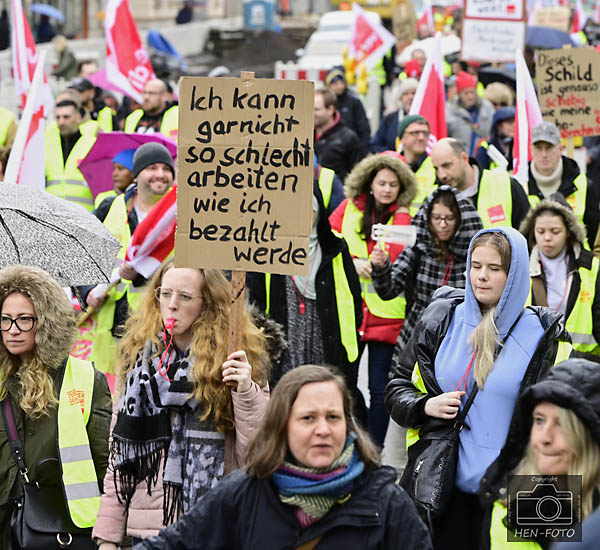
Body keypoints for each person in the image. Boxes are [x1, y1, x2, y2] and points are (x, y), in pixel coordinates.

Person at [385, 227, 569, 549]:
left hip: (516, 490)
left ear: (515, 274)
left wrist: (557, 509)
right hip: (439, 484)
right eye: (475, 265)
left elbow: (565, 428)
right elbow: (397, 387)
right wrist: (425, 406)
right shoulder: (442, 317)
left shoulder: (546, 335)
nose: (481, 276)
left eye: (494, 269)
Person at [132, 364, 433, 550]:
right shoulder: (243, 493)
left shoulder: (386, 502)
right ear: (282, 425)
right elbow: (175, 544)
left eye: (333, 417)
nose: (323, 430)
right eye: (308, 418)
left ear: (348, 424)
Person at [92, 260, 276, 548]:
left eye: (185, 296)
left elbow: (258, 454)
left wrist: (245, 391)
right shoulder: (140, 364)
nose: (172, 305)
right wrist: (107, 538)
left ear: (208, 304)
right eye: (165, 294)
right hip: (150, 533)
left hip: (214, 528)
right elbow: (120, 459)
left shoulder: (236, 362)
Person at [0, 265, 112, 548]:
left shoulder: (85, 378)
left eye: (25, 319)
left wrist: (111, 537)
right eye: (5, 319)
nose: (13, 330)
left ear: (47, 322)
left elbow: (105, 465)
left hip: (59, 528)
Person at [247, 180, 363, 411]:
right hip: (285, 342)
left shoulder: (336, 247)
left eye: (308, 207)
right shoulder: (268, 247)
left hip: (327, 341)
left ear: (319, 210)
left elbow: (354, 299)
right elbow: (255, 300)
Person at [329, 153, 416, 448]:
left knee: (379, 390)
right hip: (351, 313)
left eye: (393, 184)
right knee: (346, 384)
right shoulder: (348, 209)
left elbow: (397, 254)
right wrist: (352, 262)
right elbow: (328, 240)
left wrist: (377, 265)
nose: (387, 189)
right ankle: (356, 440)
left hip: (387, 316)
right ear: (369, 183)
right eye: (382, 183)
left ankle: (376, 449)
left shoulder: (405, 217)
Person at [481, 358, 600, 549]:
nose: (544, 438)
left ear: (590, 436)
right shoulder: (511, 505)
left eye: (561, 425)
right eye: (539, 420)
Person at [83, 143, 175, 378]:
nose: (160, 175)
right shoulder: (109, 206)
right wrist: (87, 290)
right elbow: (82, 254)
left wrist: (140, 274)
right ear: (137, 174)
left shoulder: (176, 215)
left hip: (156, 320)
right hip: (109, 320)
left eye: (166, 169)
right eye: (152, 167)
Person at [371, 185, 483, 361]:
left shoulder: (475, 255)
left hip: (460, 334)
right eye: (437, 218)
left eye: (449, 218)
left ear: (461, 220)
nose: (443, 224)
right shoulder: (419, 247)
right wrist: (381, 266)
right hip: (418, 331)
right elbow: (388, 290)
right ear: (427, 218)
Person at [520, 197, 599, 361]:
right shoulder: (521, 264)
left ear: (569, 231)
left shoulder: (591, 266)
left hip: (583, 362)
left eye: (555, 231)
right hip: (534, 362)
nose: (547, 237)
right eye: (540, 231)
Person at [528, 121, 600, 248]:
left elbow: (593, 235)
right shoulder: (519, 184)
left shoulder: (584, 184)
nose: (544, 154)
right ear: (531, 149)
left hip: (578, 265)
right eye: (539, 148)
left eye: (549, 147)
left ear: (561, 149)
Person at [431, 137, 530, 229]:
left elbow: (528, 233)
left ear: (464, 158)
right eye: (436, 169)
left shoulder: (504, 183)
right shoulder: (434, 197)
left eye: (446, 165)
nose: (441, 175)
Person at [45, 99, 98, 211]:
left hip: (83, 214)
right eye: (58, 117)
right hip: (53, 214)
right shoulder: (47, 144)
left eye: (66, 117)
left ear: (78, 118)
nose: (61, 122)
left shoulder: (92, 144)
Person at [314, 88, 366, 182]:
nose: (311, 113)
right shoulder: (305, 136)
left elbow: (360, 176)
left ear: (331, 110)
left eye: (316, 109)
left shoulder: (349, 139)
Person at [395, 114, 437, 215]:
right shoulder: (390, 166)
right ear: (401, 138)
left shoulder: (437, 167)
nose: (421, 137)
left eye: (425, 133)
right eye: (415, 133)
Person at [446, 71, 495, 155]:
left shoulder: (487, 108)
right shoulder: (450, 111)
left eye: (472, 92)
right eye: (466, 93)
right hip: (461, 157)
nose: (470, 96)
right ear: (459, 94)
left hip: (483, 156)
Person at [325, 66, 371, 147]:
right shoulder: (324, 102)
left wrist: (363, 149)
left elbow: (364, 128)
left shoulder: (353, 101)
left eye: (341, 83)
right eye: (335, 83)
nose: (339, 86)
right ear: (328, 85)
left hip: (351, 147)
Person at [369, 78, 418, 153]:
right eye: (406, 94)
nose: (410, 97)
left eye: (414, 93)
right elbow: (375, 144)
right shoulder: (390, 119)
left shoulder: (425, 119)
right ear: (401, 98)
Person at [475, 106, 514, 171]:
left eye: (516, 122)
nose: (514, 125)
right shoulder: (486, 149)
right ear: (499, 126)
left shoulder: (523, 147)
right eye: (509, 122)